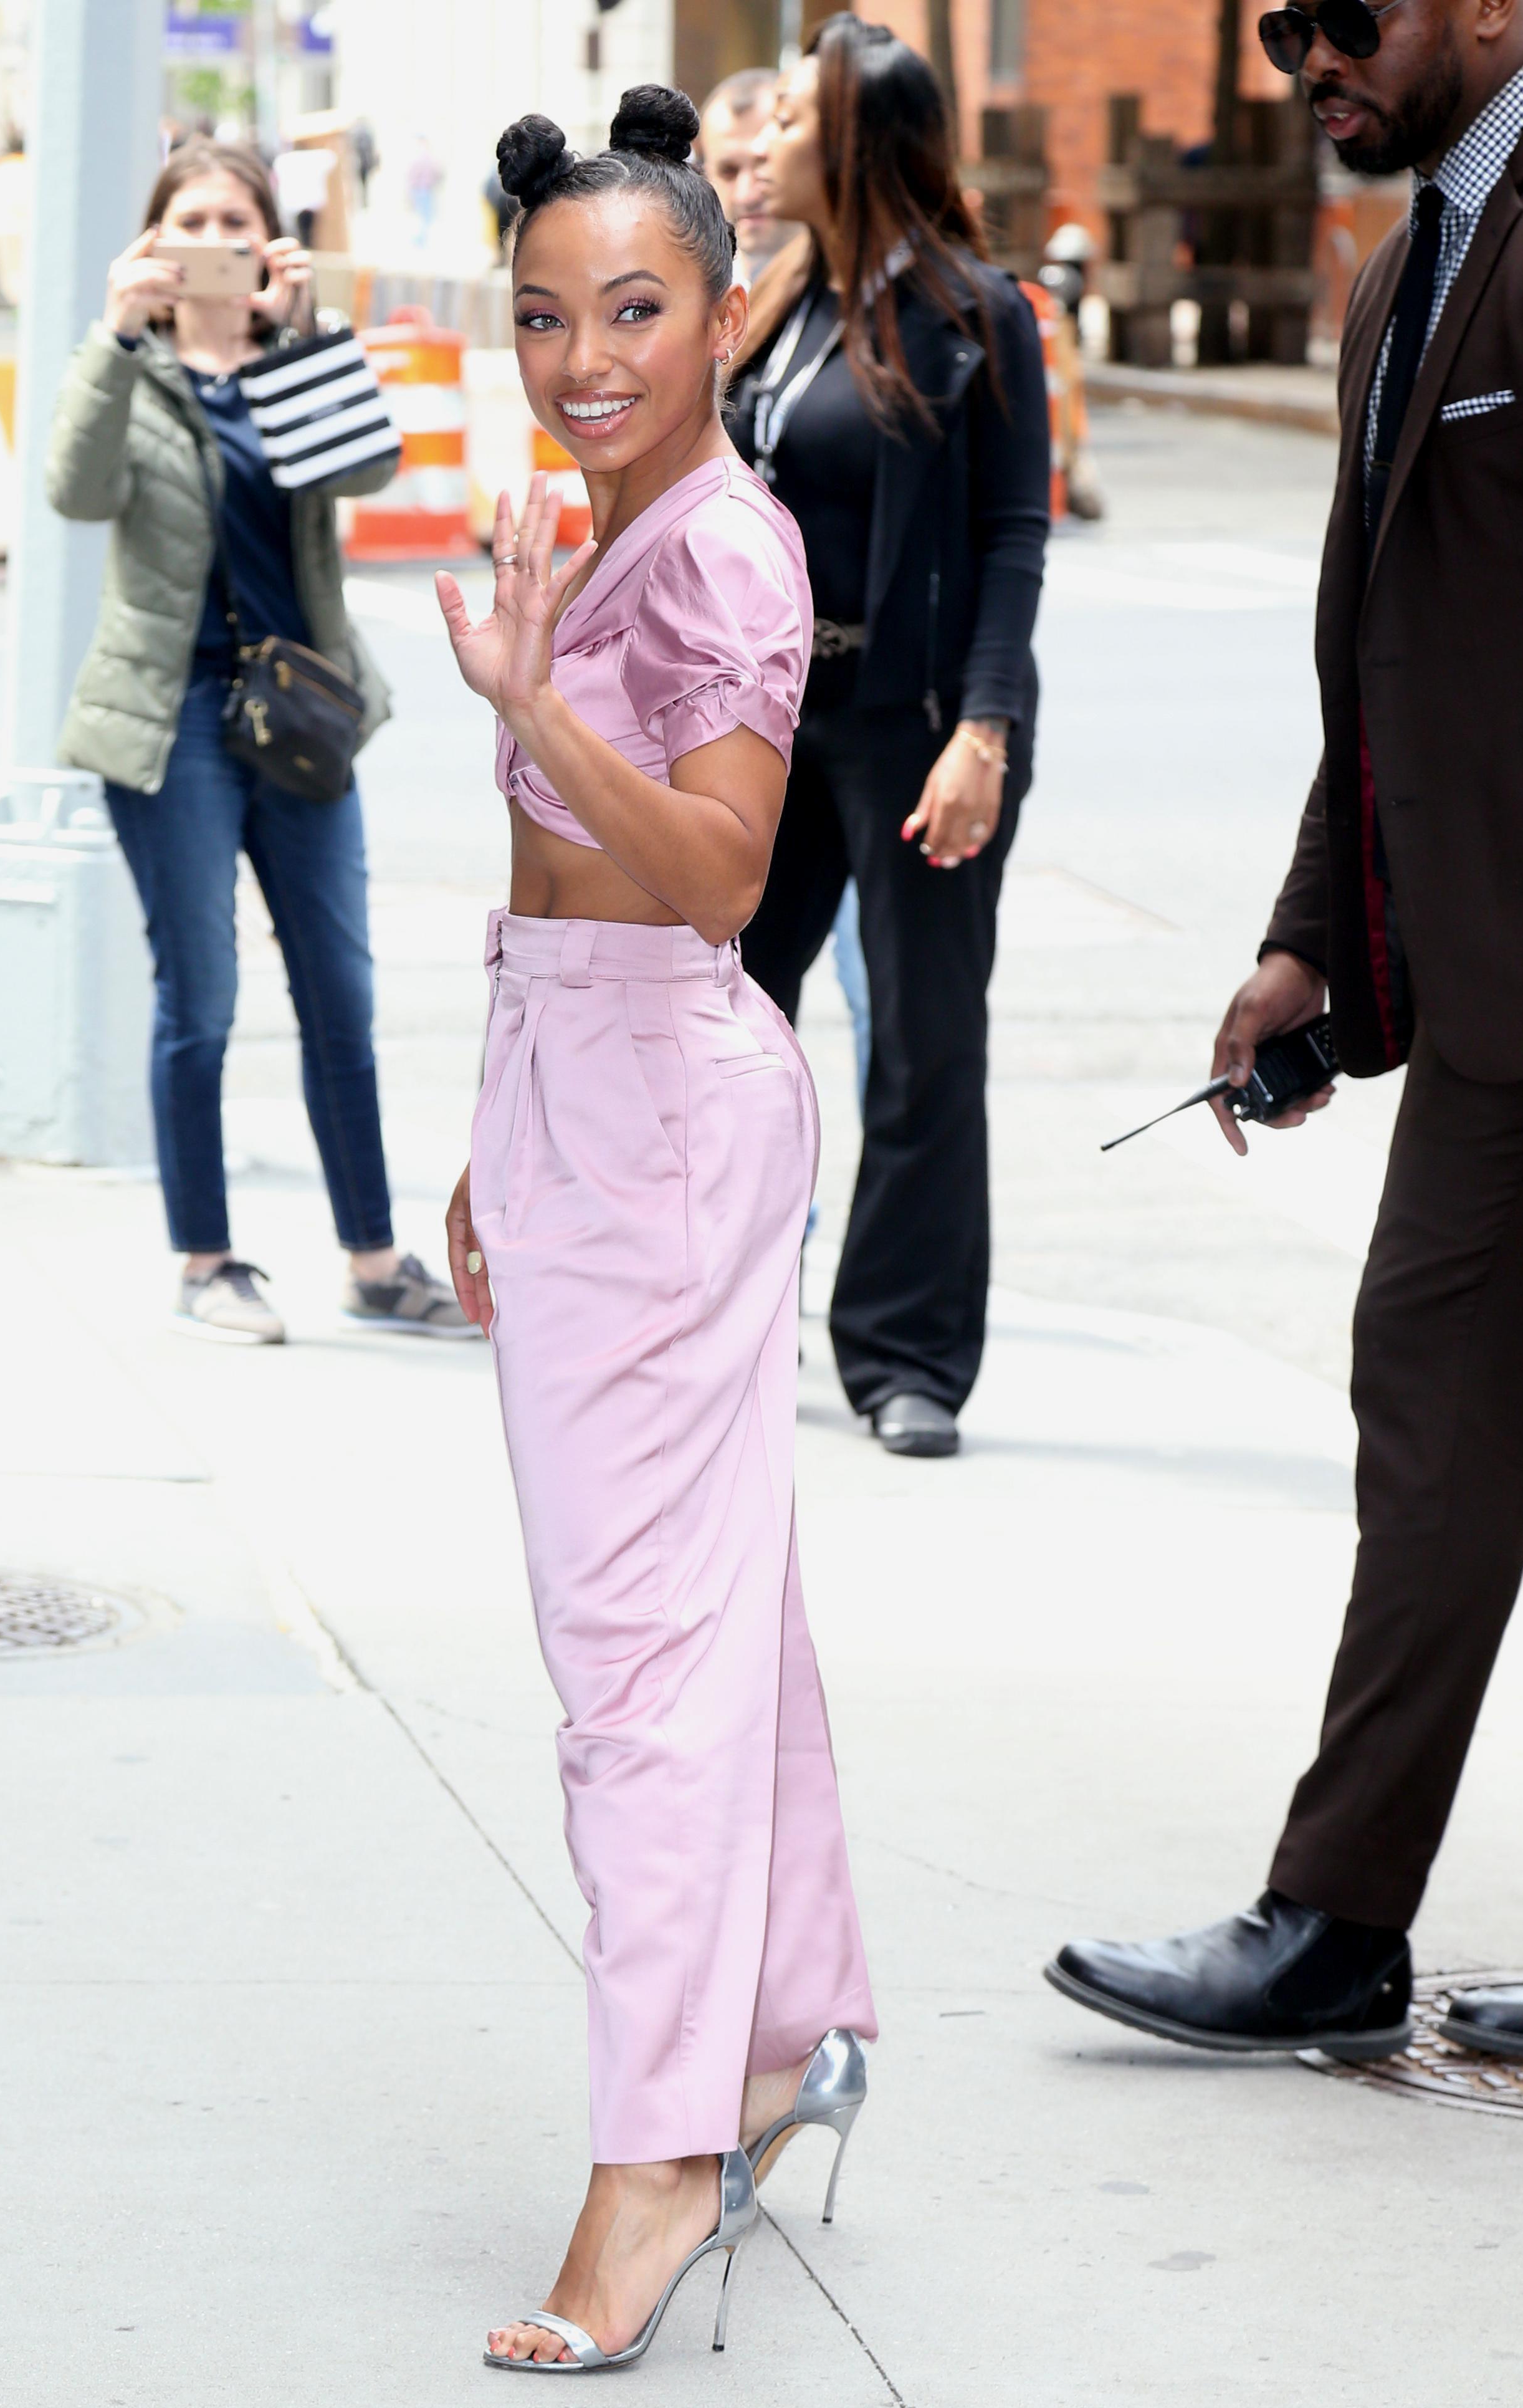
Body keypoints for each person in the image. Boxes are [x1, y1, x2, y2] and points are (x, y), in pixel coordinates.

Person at [439, 85, 877, 2372]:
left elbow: (714, 879)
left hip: (665, 1120)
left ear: (722, 316)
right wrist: (485, 1131)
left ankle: (658, 2157)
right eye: (542, 315)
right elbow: (551, 887)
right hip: (574, 1096)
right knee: (713, 1615)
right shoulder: (610, 518)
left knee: (633, 1668)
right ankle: (786, 2027)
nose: (582, 356)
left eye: (630, 312)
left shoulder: (722, 546)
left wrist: (534, 707)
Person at [1047, 0, 1523, 2065]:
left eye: (1344, 15)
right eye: (1279, 24)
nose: (1302, 56)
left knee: (1436, 1410)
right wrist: (1308, 935)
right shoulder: (1406, 269)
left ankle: (1329, 1918)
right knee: (1430, 1412)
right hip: (1489, 1004)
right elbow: (1399, 668)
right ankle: (1331, 1923)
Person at [47, 137, 469, 1346]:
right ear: (155, 240)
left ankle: (372, 1261)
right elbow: (76, 491)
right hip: (173, 715)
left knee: (340, 992)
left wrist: (309, 336)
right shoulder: (130, 369)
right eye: (191, 221)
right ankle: (206, 1259)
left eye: (237, 222)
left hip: (300, 712)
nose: (215, 243)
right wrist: (113, 331)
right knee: (202, 997)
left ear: (269, 239)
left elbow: (371, 468)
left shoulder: (293, 363)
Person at [727, 16, 1051, 1458]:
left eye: (792, 120)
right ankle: (721, 1313)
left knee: (920, 1046)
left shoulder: (978, 313)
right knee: (728, 1012)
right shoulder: (781, 298)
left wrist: (982, 729)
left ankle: (905, 1355)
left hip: (917, 729)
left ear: (855, 146)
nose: (765, 138)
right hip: (773, 724)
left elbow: (1010, 538)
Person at [700, 65, 872, 1110]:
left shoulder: (843, 298)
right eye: (725, 169)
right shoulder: (717, 309)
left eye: (763, 154)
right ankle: (766, 1195)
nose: (749, 184)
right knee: (745, 999)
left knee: (874, 992)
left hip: (852, 703)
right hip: (744, 711)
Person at [698, 65, 800, 277]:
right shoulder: (697, 287)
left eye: (763, 164)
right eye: (729, 172)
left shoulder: (857, 285)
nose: (746, 196)